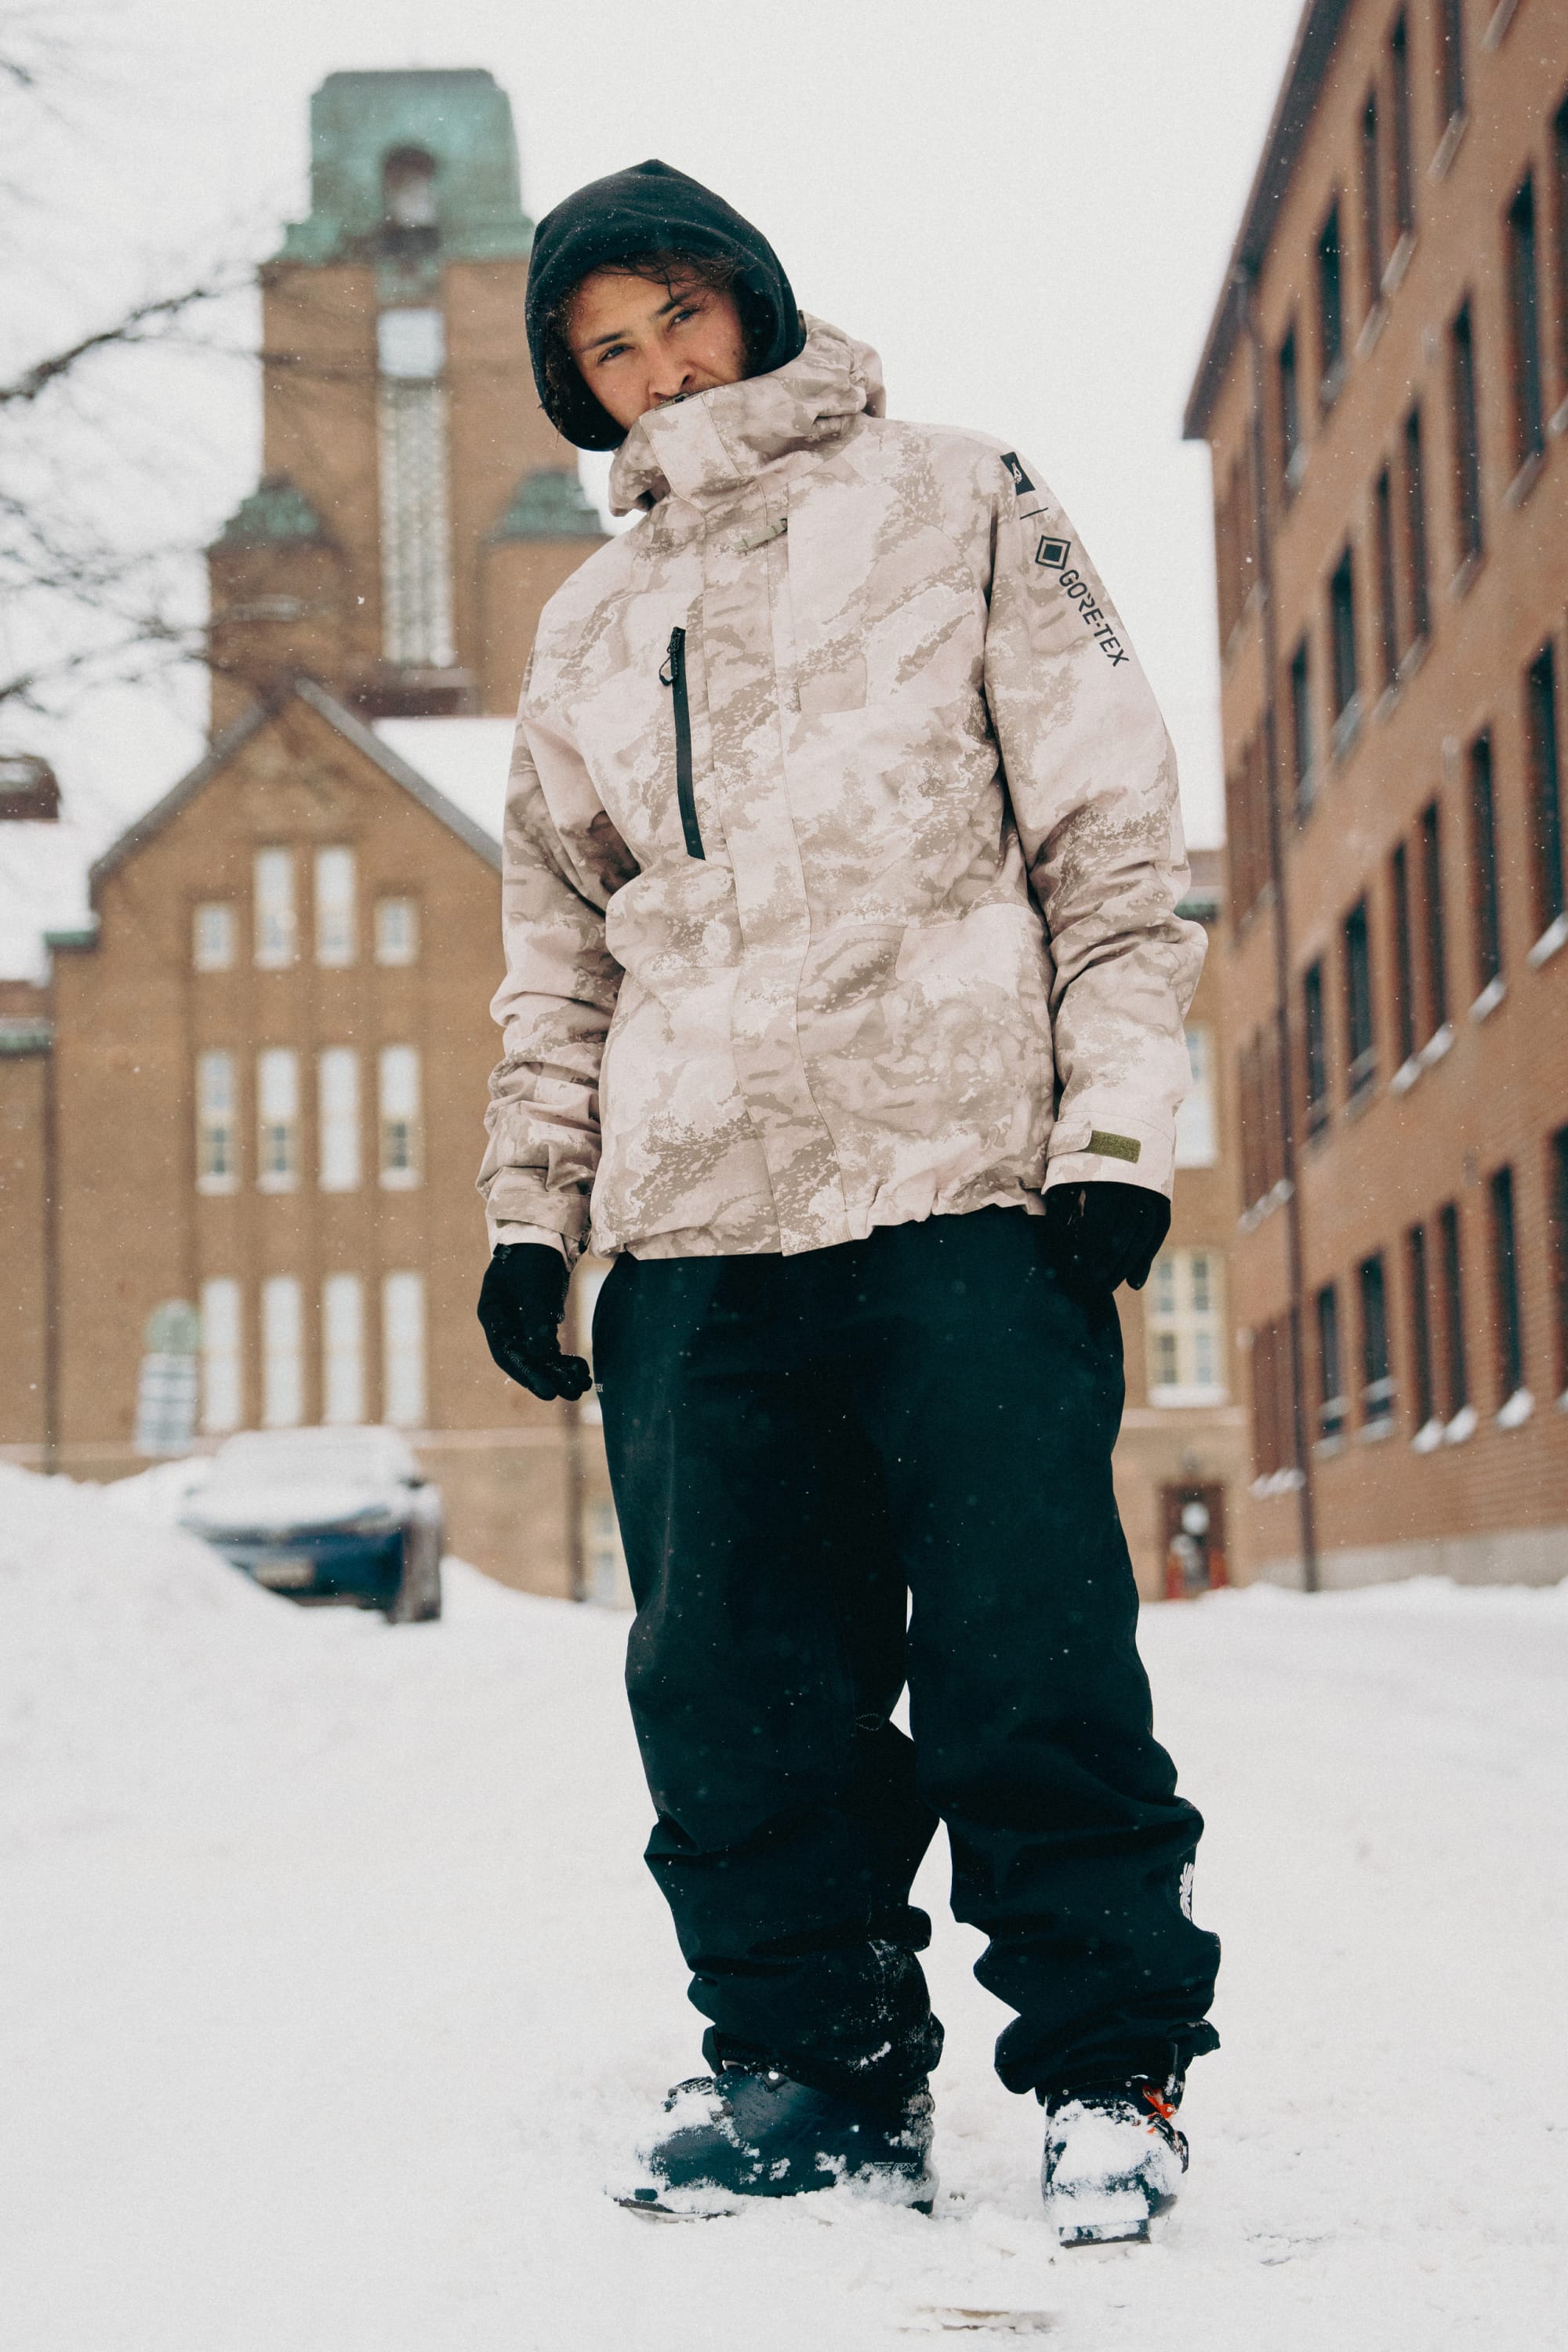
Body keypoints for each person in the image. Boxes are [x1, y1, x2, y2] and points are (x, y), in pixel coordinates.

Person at [477, 159, 1220, 2238]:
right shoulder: (590, 618)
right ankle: (813, 2066)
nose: (651, 368)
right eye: (605, 351)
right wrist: (536, 1208)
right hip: (698, 1232)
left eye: (676, 320)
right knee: (738, 1690)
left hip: (959, 1189)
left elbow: (1108, 841)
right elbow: (560, 946)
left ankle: (1112, 2072)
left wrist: (1108, 1144)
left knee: (1025, 1657)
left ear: (753, 301)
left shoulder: (960, 494)